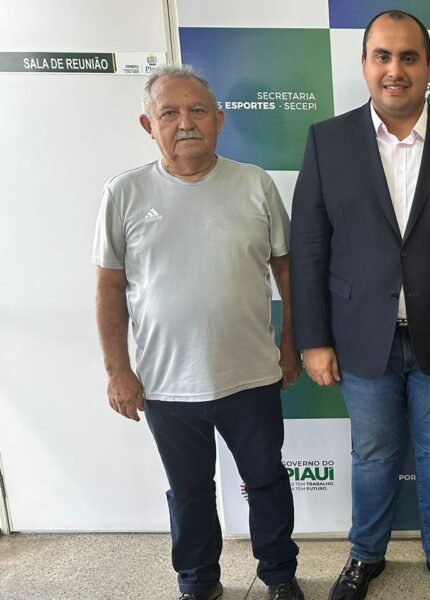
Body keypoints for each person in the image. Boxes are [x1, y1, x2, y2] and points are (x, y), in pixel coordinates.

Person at [289, 10, 430, 600]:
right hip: (361, 334)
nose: (395, 70)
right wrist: (313, 339)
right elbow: (308, 248)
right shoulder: (327, 140)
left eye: (409, 57)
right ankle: (365, 554)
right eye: (382, 56)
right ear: (364, 65)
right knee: (371, 452)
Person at [93, 65, 305, 600]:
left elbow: (288, 272)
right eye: (169, 112)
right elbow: (109, 289)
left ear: (219, 119)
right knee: (188, 492)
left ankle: (279, 575)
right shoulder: (124, 193)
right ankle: (198, 581)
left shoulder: (255, 184)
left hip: (251, 375)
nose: (185, 122)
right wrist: (118, 371)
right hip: (166, 383)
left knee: (267, 480)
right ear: (149, 125)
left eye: (197, 111)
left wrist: (289, 346)